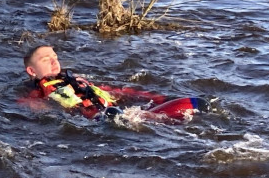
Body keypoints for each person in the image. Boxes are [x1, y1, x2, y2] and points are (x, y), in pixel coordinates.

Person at [20, 44, 208, 121]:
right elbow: (34, 105)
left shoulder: (76, 80)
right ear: (31, 71)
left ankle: (155, 118)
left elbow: (114, 91)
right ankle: (154, 120)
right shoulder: (38, 91)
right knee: (115, 115)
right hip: (97, 118)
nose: (54, 61)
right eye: (46, 59)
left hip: (115, 111)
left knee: (198, 103)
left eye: (55, 56)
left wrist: (154, 97)